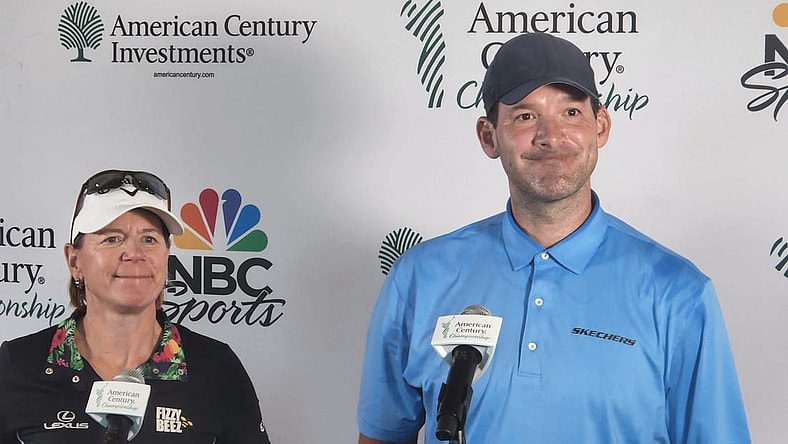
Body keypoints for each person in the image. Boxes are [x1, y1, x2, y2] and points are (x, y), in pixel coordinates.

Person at [357, 33, 751, 444]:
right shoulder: (420, 278)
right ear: (489, 136)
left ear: (600, 126)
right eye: (525, 117)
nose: (551, 135)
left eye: (570, 112)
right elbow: (383, 435)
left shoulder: (678, 292)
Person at [0, 169, 273, 443]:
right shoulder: (16, 364)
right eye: (111, 238)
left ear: (166, 257)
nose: (135, 253)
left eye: (149, 239)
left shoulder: (216, 368)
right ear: (75, 262)